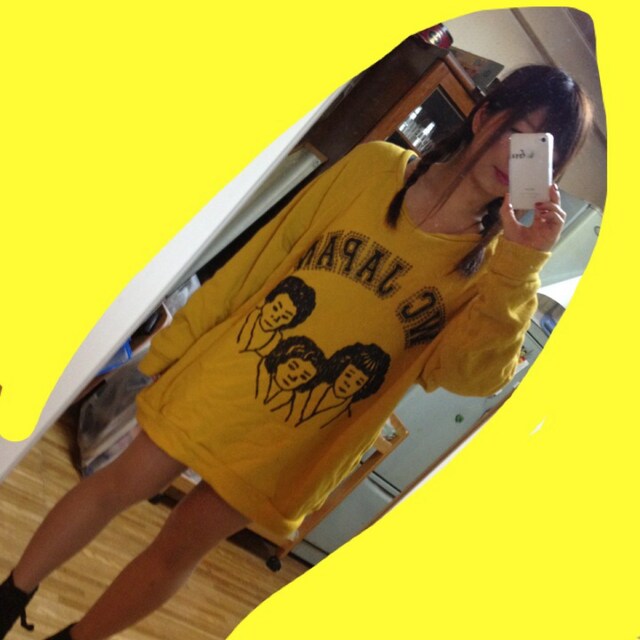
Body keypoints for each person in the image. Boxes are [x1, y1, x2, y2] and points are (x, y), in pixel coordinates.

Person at [0, 63, 593, 640]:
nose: (515, 160)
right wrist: (171, 346)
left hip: (304, 441)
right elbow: (265, 256)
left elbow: (469, 377)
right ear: (485, 115)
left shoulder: (500, 272)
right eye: (518, 134)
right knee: (116, 484)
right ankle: (8, 598)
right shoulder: (375, 169)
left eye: (539, 154)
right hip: (228, 374)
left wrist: (522, 265)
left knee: (177, 550)